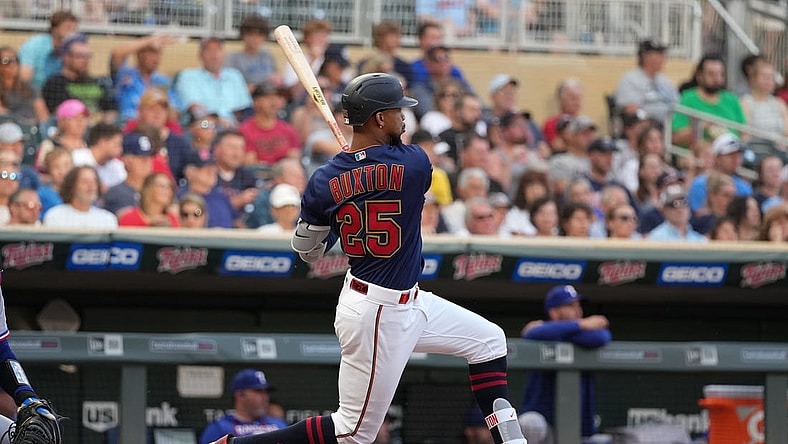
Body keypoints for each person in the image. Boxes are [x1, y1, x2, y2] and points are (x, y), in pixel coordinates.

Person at [209, 73, 528, 444]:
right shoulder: (416, 163)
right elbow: (384, 172)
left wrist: (338, 192)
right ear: (379, 119)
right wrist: (359, 167)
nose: (404, 118)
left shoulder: (324, 179)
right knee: (353, 432)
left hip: (406, 300)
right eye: (396, 111)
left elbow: (307, 252)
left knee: (489, 341)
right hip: (378, 310)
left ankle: (512, 441)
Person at [518, 285, 611, 444]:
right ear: (554, 313)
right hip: (546, 429)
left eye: (578, 305)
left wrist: (564, 329)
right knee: (528, 423)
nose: (577, 310)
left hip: (579, 429)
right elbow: (532, 333)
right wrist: (582, 325)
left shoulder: (551, 332)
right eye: (569, 306)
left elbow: (601, 336)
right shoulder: (544, 333)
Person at [41, 33, 118, 123]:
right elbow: (62, 114)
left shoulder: (98, 83)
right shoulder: (55, 84)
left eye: (87, 57)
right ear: (66, 57)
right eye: (80, 57)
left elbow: (111, 110)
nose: (85, 61)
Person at [174, 37, 252, 125]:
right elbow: (195, 109)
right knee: (204, 125)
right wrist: (218, 122)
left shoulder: (234, 75)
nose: (214, 54)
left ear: (224, 54)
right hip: (204, 123)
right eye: (209, 50)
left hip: (234, 126)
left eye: (218, 49)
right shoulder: (188, 76)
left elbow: (245, 107)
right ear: (200, 55)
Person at [200, 369, 287, 444]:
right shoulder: (219, 428)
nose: (265, 397)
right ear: (240, 395)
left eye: (266, 392)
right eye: (258, 391)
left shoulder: (279, 425)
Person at [110, 34, 178, 123]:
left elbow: (175, 111)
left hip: (157, 127)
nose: (156, 58)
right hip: (128, 124)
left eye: (158, 53)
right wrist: (149, 41)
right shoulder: (125, 75)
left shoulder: (164, 82)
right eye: (151, 53)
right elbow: (117, 52)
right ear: (139, 54)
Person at [614, 39, 679, 123]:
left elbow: (678, 104)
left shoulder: (665, 81)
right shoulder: (630, 78)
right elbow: (631, 110)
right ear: (645, 56)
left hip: (669, 125)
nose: (663, 58)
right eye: (658, 54)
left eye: (663, 54)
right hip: (644, 125)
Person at [18, 10, 79, 90]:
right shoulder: (34, 45)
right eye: (67, 27)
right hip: (33, 93)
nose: (72, 33)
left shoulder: (72, 50)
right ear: (54, 29)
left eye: (74, 29)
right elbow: (24, 78)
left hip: (58, 93)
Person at [42, 165, 118, 229]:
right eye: (85, 182)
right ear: (72, 186)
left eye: (94, 181)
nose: (91, 186)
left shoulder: (108, 219)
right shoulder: (55, 216)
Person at [226, 14, 279, 91]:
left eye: (259, 35)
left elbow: (275, 76)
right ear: (243, 35)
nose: (255, 39)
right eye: (250, 34)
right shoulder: (233, 58)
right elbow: (230, 86)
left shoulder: (267, 55)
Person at [0, 46, 50, 127]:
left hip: (34, 128)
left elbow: (43, 115)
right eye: (6, 61)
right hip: (9, 127)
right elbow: (1, 113)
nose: (13, 64)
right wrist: (22, 121)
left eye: (16, 60)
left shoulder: (30, 88)